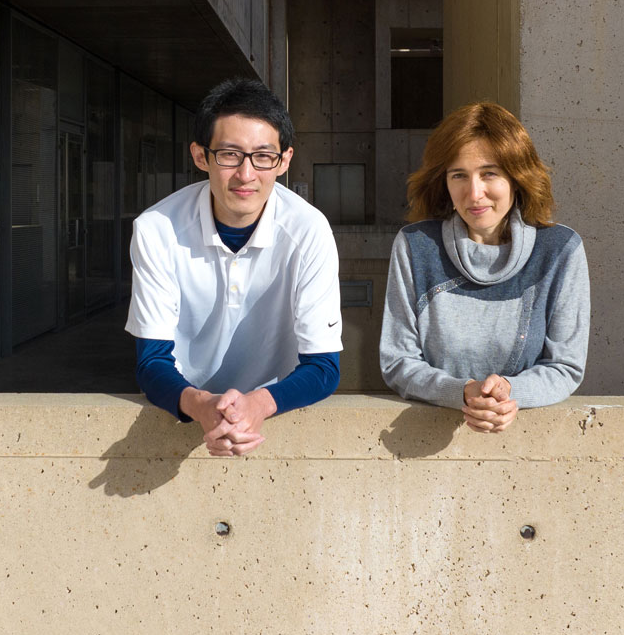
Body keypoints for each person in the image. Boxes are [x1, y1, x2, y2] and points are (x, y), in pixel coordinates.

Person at [126, 77, 342, 456]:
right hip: (183, 409)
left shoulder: (309, 231)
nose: (246, 174)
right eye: (229, 154)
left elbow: (323, 365)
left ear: (284, 160)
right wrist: (201, 406)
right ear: (200, 156)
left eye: (263, 156)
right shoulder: (156, 229)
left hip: (277, 411)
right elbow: (151, 361)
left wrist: (257, 405)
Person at [379, 102, 589, 431]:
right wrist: (462, 392)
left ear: (517, 178)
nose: (475, 193)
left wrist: (509, 393)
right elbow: (397, 362)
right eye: (459, 175)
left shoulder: (560, 251)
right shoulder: (416, 246)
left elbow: (565, 366)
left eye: (489, 173)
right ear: (444, 183)